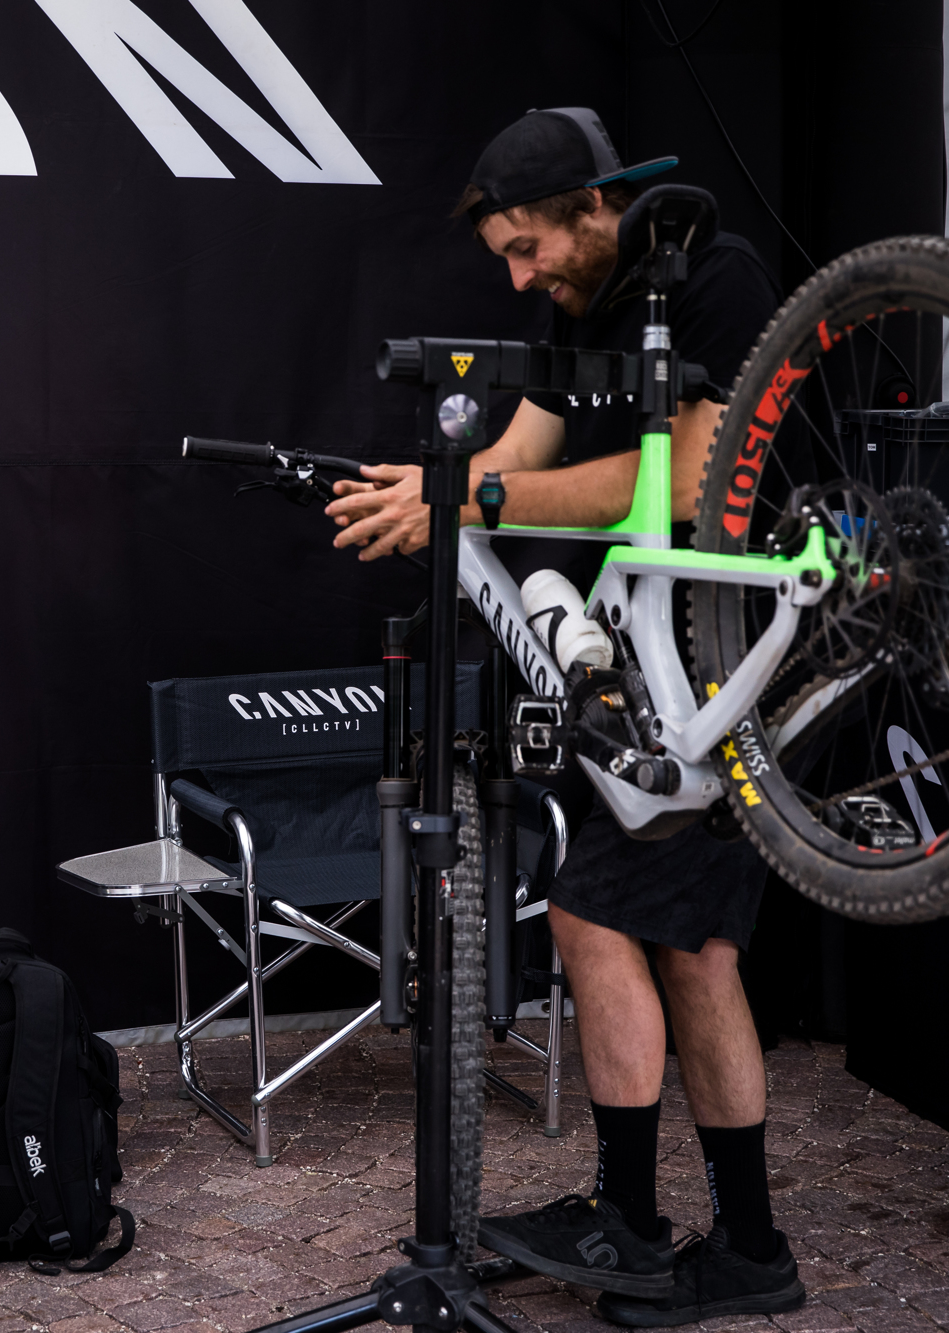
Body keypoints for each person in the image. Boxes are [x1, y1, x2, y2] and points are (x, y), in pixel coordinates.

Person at [324, 109, 803, 1327]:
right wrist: (430, 491)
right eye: (502, 258)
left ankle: (635, 1224)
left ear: (597, 206)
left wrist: (467, 495)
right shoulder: (581, 300)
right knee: (692, 953)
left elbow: (692, 482)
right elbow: (515, 448)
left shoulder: (714, 277)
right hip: (669, 652)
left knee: (594, 912)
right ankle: (740, 1246)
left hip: (736, 644)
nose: (518, 275)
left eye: (528, 248)